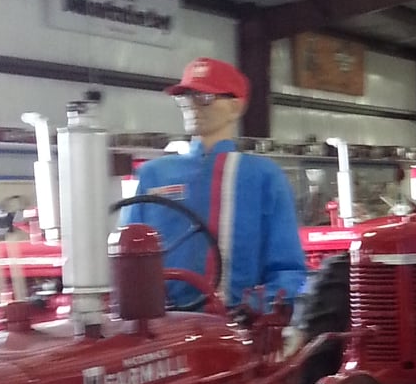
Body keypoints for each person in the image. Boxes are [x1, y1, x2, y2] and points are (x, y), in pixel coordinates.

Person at [127, 57, 308, 311]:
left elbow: (288, 269)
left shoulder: (263, 176)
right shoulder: (153, 175)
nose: (192, 105)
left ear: (236, 106)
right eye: (185, 96)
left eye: (205, 97)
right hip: (164, 327)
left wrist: (256, 307)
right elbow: (127, 255)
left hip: (238, 328)